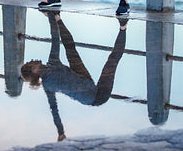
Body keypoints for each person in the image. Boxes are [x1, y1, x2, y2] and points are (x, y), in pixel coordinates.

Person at [21, 11, 127, 142]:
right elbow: (54, 109)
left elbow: (55, 38)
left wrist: (51, 17)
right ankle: (123, 27)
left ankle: (57, 16)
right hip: (97, 97)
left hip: (82, 79)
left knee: (70, 48)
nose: (31, 59)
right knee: (112, 61)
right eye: (29, 63)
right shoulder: (48, 83)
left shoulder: (51, 64)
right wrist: (61, 133)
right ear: (34, 70)